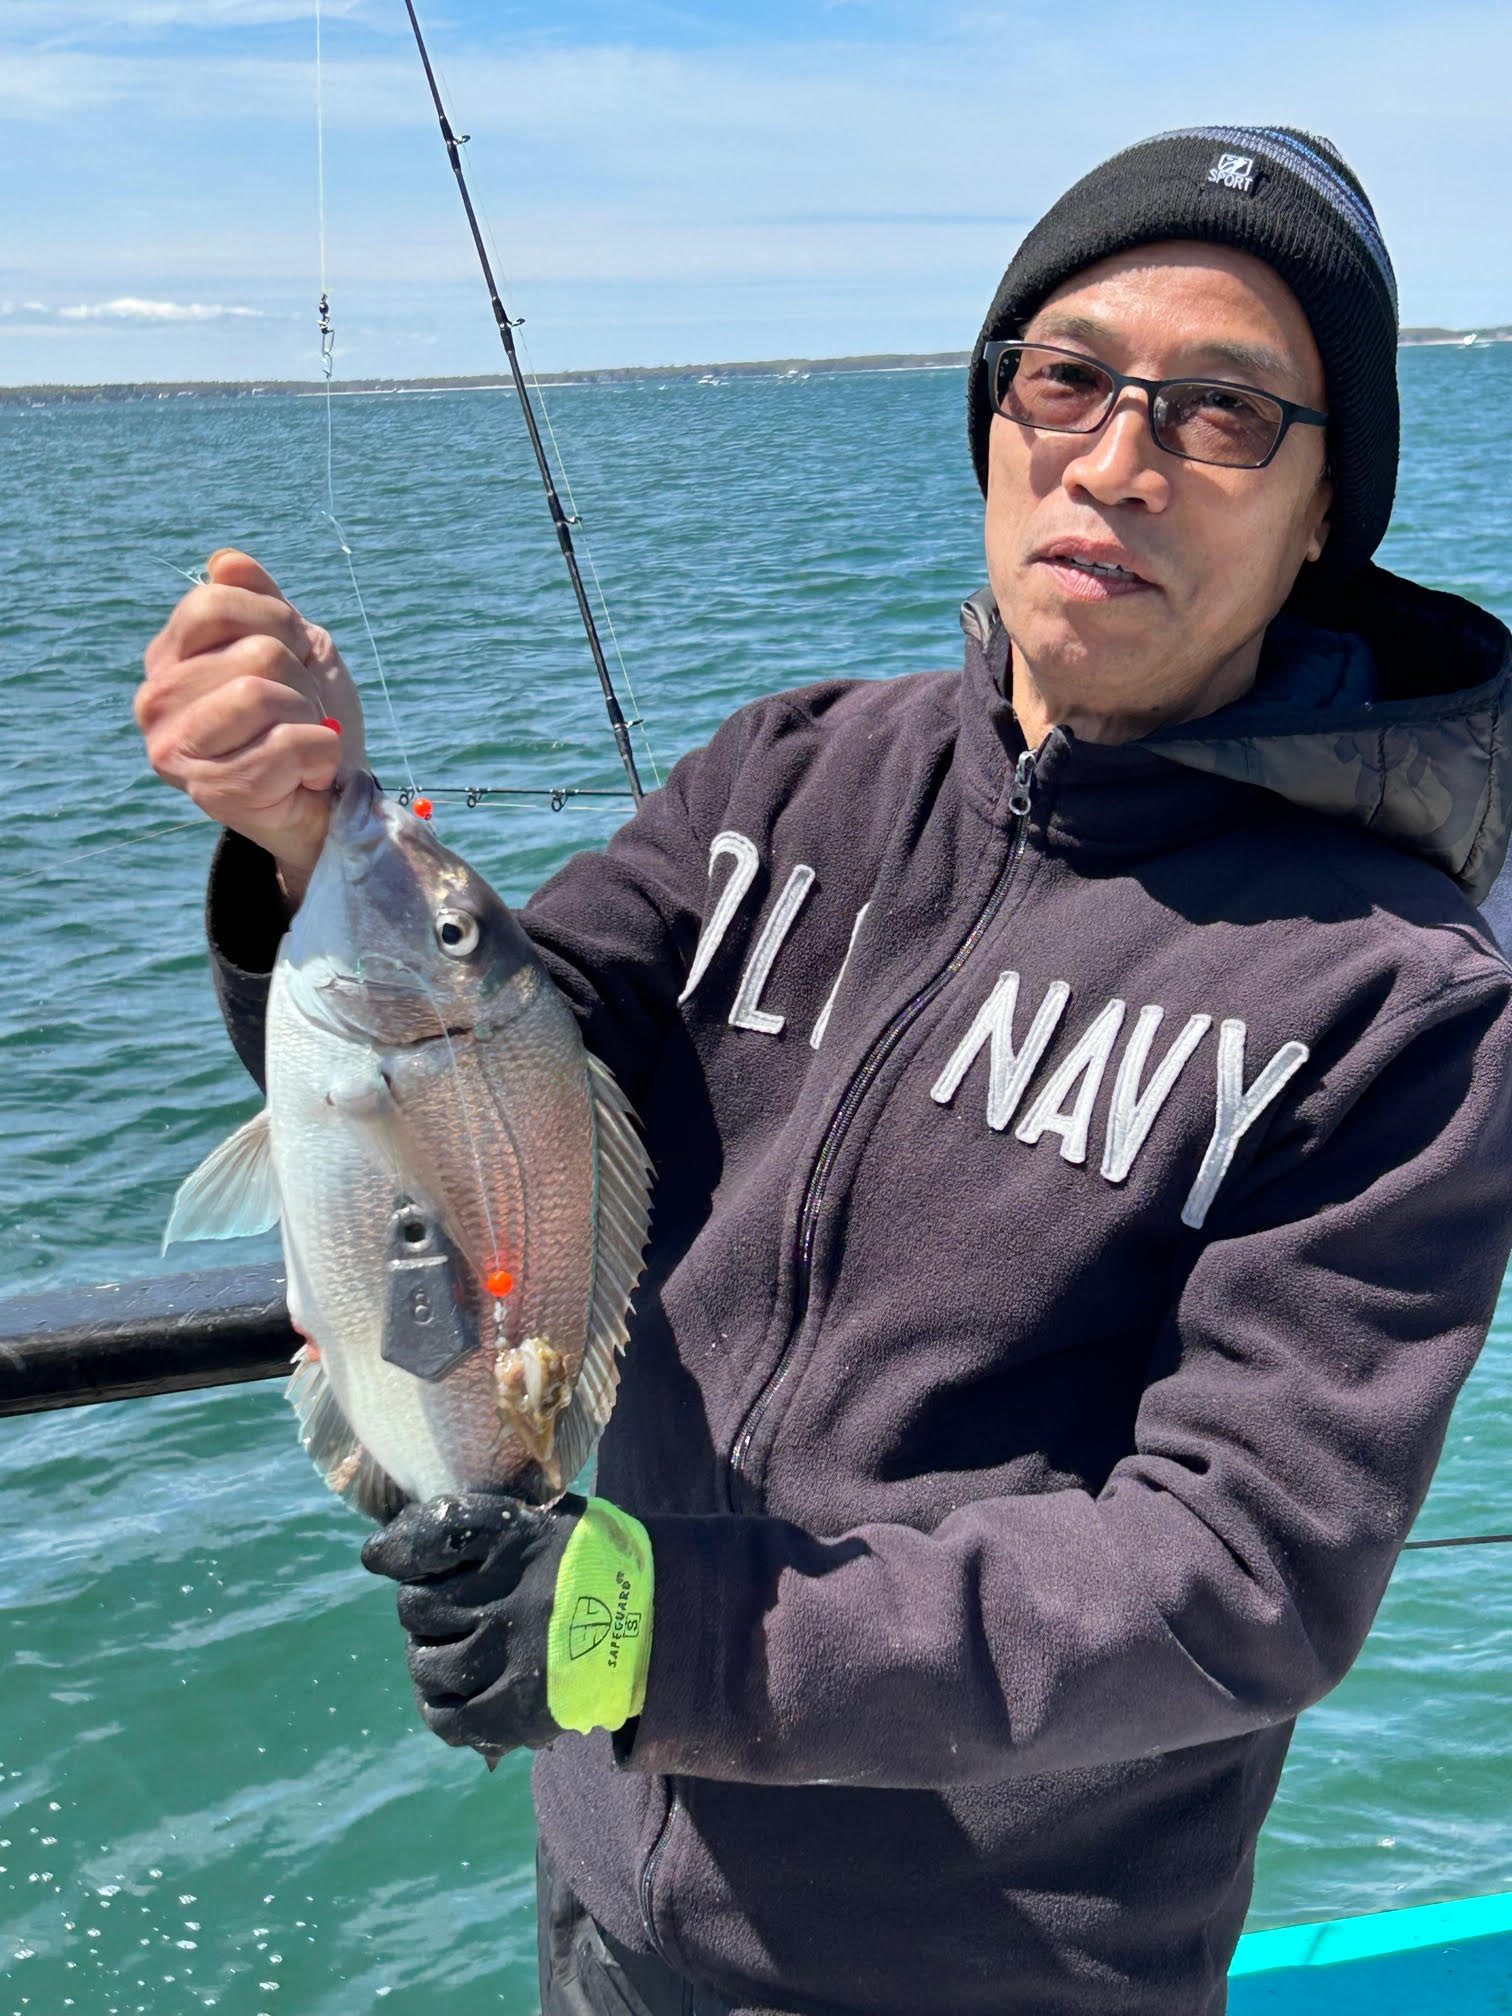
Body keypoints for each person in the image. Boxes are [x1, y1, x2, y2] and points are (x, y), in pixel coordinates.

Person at [136, 126, 1512, 2016]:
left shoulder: (1399, 1000)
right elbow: (481, 1092)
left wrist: (658, 1635)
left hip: (998, 1971)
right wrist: (300, 857)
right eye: (1069, 376)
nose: (1115, 458)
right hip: (613, 1894)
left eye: (1223, 415)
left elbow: (1241, 1573)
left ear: (1321, 506)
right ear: (994, 416)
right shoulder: (787, 774)